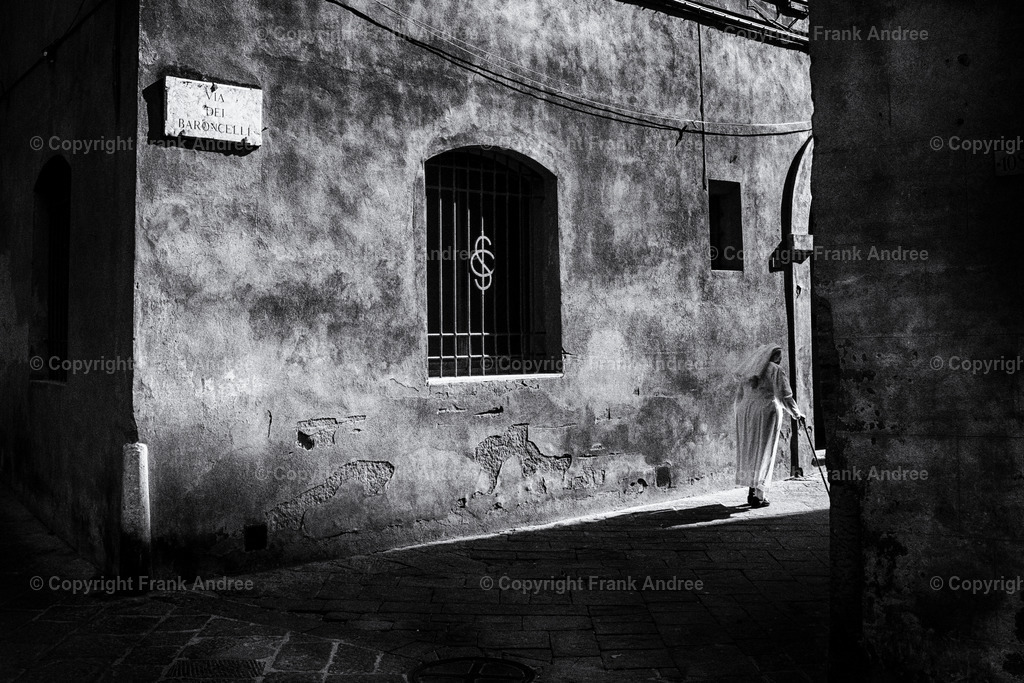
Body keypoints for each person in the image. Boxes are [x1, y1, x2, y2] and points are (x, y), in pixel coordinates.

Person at [734, 343, 805, 507]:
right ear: (773, 357)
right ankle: (760, 495)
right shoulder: (775, 370)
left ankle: (752, 489)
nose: (779, 361)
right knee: (765, 452)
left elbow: (739, 397)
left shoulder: (749, 370)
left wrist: (740, 414)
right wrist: (796, 413)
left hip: (747, 412)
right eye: (778, 357)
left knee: (751, 450)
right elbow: (785, 396)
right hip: (767, 412)